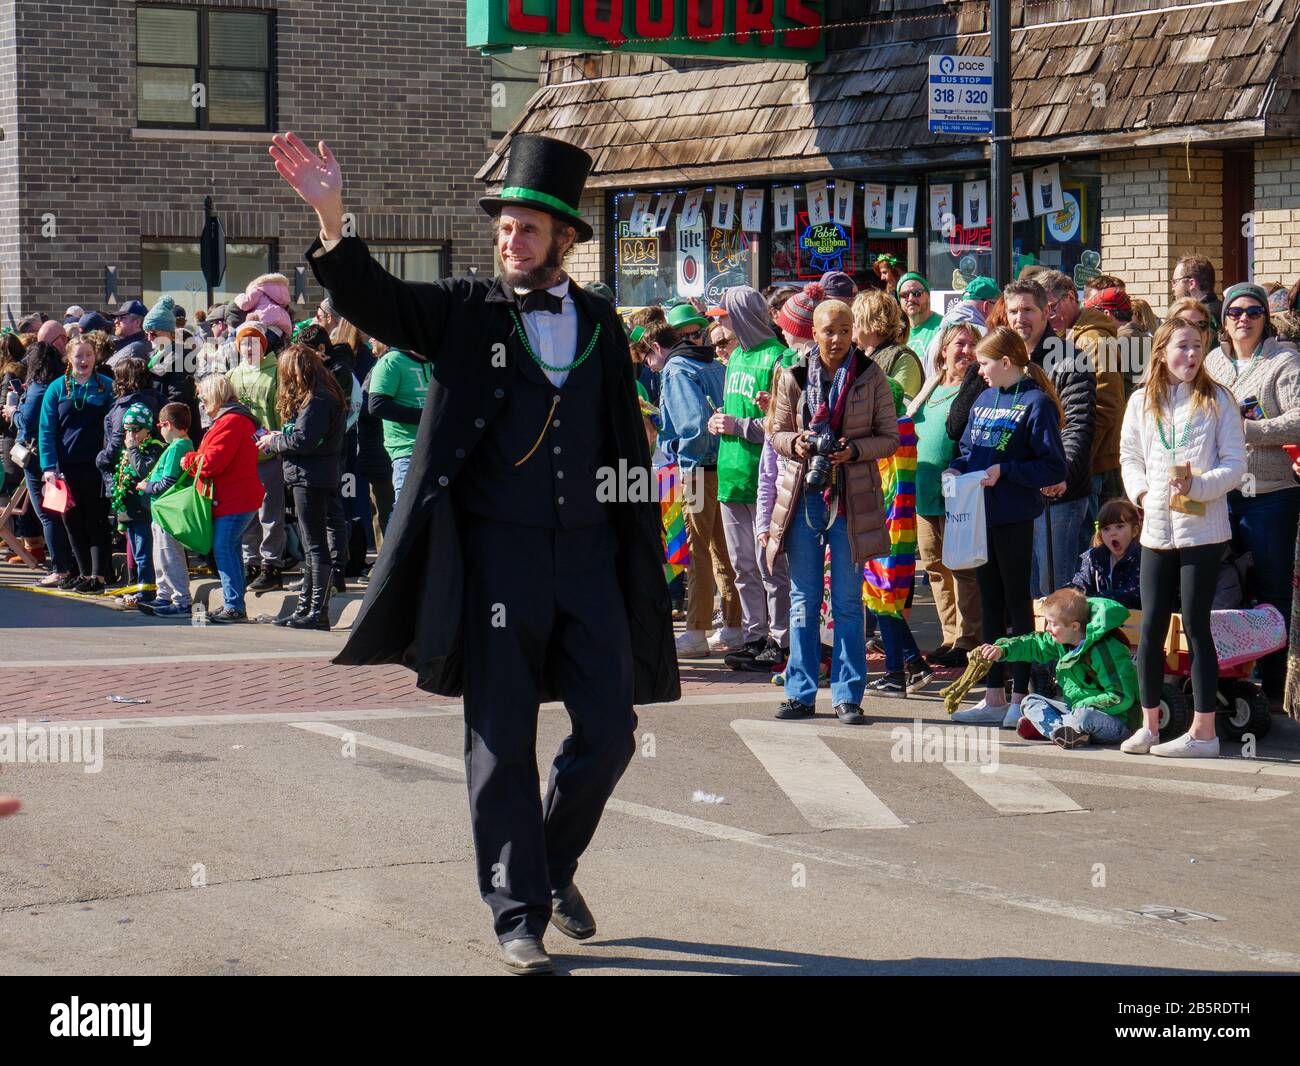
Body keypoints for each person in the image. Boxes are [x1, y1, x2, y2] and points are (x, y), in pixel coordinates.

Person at [271, 129, 677, 973]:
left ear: (565, 239)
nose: (511, 239)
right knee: (500, 737)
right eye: (504, 226)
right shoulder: (465, 311)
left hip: (591, 557)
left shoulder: (602, 325)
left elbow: (622, 445)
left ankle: (551, 867)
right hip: (497, 561)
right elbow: (377, 299)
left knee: (611, 731)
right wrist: (333, 217)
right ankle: (516, 913)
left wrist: (641, 551)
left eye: (528, 228)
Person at [766, 299, 899, 724]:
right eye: (829, 331)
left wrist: (854, 450)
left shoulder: (871, 375)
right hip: (804, 493)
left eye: (845, 330)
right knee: (803, 599)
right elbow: (776, 433)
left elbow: (890, 438)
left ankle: (847, 696)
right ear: (814, 333)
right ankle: (800, 693)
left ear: (854, 331)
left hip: (853, 497)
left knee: (847, 602)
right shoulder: (792, 373)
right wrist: (799, 443)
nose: (837, 338)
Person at [1120, 316, 1246, 757]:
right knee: (1152, 624)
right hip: (1156, 529)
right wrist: (1142, 493)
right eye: (1182, 346)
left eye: (1197, 345)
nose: (1191, 355)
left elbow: (1235, 466)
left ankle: (1204, 732)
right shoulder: (1141, 400)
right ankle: (1149, 725)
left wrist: (1198, 486)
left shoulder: (1218, 398)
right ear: (1161, 352)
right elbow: (1129, 456)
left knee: (1195, 624)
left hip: (1203, 531)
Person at [947, 326, 1067, 726]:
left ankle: (1020, 695)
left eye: (984, 363)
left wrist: (1007, 471)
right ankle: (993, 695)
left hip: (1014, 517)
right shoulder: (983, 398)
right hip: (979, 516)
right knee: (990, 604)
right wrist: (955, 469)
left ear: (1005, 361)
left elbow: (1053, 466)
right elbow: (967, 449)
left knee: (1017, 603)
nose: (979, 371)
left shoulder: (1037, 403)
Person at [1205, 281, 1300, 712]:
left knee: (1271, 589)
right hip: (1221, 494)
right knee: (1224, 588)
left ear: (1265, 319)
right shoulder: (1212, 362)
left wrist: (1250, 430)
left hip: (1271, 495)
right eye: (1235, 312)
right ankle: (1230, 678)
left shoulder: (1284, 360)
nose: (1243, 318)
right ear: (1224, 321)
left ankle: (1276, 686)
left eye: (1253, 312)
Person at [706, 286, 795, 671]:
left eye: (723, 316)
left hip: (766, 480)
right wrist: (717, 422)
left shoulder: (778, 357)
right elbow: (734, 413)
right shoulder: (737, 356)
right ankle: (755, 637)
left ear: (741, 315)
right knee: (743, 565)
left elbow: (783, 423)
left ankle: (781, 640)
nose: (720, 325)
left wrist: (739, 425)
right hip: (730, 475)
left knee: (771, 566)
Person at [659, 301, 740, 656]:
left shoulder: (677, 368)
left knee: (697, 551)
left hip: (696, 469)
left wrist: (676, 452)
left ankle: (696, 631)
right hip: (727, 465)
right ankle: (734, 625)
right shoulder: (715, 365)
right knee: (724, 549)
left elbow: (693, 427)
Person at [975, 588, 1139, 748]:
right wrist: (1002, 650)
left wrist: (1082, 706)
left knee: (1084, 716)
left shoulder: (1105, 650)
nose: (1047, 628)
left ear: (1074, 626)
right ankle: (1063, 733)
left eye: (1053, 624)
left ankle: (1051, 728)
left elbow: (1121, 697)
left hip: (1114, 720)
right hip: (1075, 710)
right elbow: (1033, 645)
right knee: (1029, 702)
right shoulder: (1062, 640)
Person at [258, 343, 348, 630]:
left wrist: (275, 442)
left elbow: (304, 441)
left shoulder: (318, 398)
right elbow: (306, 436)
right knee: (312, 546)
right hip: (313, 474)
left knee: (314, 545)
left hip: (309, 476)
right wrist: (282, 436)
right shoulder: (324, 393)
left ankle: (317, 611)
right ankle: (306, 608)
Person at [908, 323, 982, 667]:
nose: (965, 350)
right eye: (959, 344)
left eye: (972, 345)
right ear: (943, 350)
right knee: (935, 569)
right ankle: (950, 637)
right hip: (924, 493)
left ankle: (969, 640)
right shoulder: (931, 386)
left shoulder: (976, 390)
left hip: (958, 495)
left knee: (962, 570)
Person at [1039, 270, 1124, 541]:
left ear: (1070, 298)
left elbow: (1106, 405)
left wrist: (1079, 457)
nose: (1048, 315)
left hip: (1093, 464)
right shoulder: (1070, 335)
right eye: (1044, 310)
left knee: (1085, 545)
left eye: (1052, 307)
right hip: (1083, 462)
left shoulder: (1093, 340)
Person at [864, 377, 932, 694]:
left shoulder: (898, 433)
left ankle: (900, 670)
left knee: (885, 599)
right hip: (889, 526)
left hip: (890, 528)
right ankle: (909, 666)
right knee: (880, 599)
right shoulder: (900, 431)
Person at [180, 375, 265, 622]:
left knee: (224, 548)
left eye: (203, 397)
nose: (201, 402)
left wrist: (188, 459)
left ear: (215, 395)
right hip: (235, 497)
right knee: (230, 549)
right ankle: (234, 603)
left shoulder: (231, 421)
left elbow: (211, 463)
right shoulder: (233, 418)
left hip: (235, 499)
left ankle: (234, 606)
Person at [38, 334, 115, 592]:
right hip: (65, 468)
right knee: (72, 522)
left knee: (97, 520)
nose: (84, 360)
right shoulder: (57, 388)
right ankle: (83, 573)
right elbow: (46, 430)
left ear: (96, 357)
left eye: (88, 355)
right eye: (79, 355)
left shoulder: (106, 386)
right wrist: (49, 467)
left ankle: (98, 576)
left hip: (97, 466)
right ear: (69, 358)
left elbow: (115, 426)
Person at [226, 321, 287, 592]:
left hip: (269, 454)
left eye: (254, 342)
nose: (249, 348)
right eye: (244, 343)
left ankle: (271, 565)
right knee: (246, 512)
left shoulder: (277, 373)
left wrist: (279, 443)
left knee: (269, 513)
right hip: (242, 456)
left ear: (263, 345)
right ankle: (250, 562)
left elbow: (282, 411)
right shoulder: (232, 375)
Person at [15, 343, 73, 586]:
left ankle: (60, 569)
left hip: (38, 456)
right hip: (60, 454)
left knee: (47, 514)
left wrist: (13, 411)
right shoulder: (62, 385)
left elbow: (27, 422)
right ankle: (69, 566)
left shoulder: (39, 389)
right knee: (61, 513)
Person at [135, 402, 195, 617]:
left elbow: (168, 482)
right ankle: (164, 595)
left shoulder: (178, 446)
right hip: (160, 512)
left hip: (168, 512)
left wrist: (146, 486)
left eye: (160, 426)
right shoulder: (177, 445)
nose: (159, 430)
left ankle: (182, 601)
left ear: (168, 425)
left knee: (170, 556)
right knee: (160, 556)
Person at [107, 403, 165, 607]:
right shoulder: (131, 448)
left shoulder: (153, 447)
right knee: (136, 553)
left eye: (135, 429)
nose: (130, 434)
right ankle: (138, 586)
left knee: (143, 554)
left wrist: (132, 448)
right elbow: (121, 479)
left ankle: (147, 590)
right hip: (129, 510)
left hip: (143, 510)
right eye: (127, 429)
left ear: (147, 428)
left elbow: (143, 470)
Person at [367, 339, 432, 510]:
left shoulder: (436, 361)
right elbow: (376, 406)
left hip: (437, 450)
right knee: (406, 515)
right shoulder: (391, 361)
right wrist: (426, 416)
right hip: (407, 453)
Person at [851, 289, 924, 400]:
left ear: (874, 322)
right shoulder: (855, 356)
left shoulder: (903, 358)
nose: (851, 324)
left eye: (855, 319)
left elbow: (901, 404)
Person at [1071, 496, 1142, 609]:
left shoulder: (1141, 558)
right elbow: (1081, 584)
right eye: (1106, 529)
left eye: (1119, 526)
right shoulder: (1093, 558)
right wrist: (1066, 594)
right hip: (1099, 617)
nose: (1112, 533)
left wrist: (1095, 598)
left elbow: (1134, 594)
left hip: (1133, 618)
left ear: (1134, 531)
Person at [924, 275, 999, 374]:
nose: (1000, 312)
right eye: (998, 306)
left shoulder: (936, 337)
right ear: (986, 306)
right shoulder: (986, 337)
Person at [898, 272, 943, 362]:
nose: (910, 298)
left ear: (928, 296)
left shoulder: (942, 327)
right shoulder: (897, 332)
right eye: (904, 295)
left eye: (917, 293)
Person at [1172, 255, 1222, 328]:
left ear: (1191, 283)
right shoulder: (1224, 311)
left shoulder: (1198, 318)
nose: (1173, 288)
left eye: (1175, 282)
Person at [107, 300, 152, 367]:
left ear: (137, 322)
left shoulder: (134, 350)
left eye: (121, 318)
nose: (116, 321)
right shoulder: (126, 345)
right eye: (116, 318)